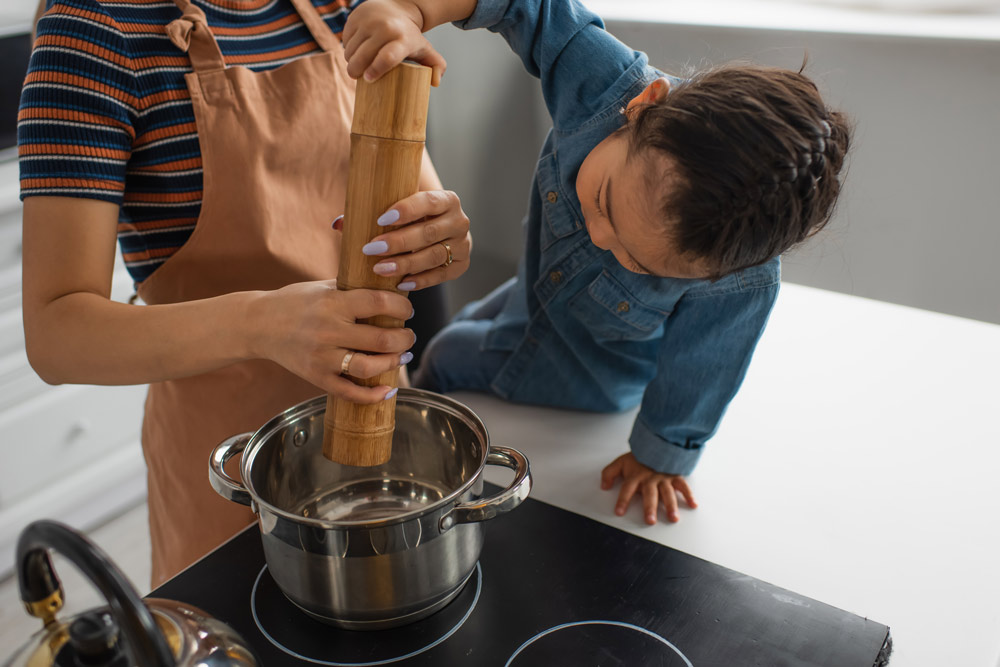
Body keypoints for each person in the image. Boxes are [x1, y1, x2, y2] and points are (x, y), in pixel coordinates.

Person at [342, 0, 852, 525]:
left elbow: (703, 371)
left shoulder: (739, 280)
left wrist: (660, 460)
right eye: (606, 201)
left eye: (641, 263)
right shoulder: (605, 86)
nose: (601, 237)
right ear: (642, 106)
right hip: (530, 299)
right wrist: (411, 10)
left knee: (445, 354)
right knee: (461, 333)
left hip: (585, 378)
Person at [19, 0, 469, 586]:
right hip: (224, 469)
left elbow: (414, 207)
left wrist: (439, 239)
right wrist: (263, 322)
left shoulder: (344, 11)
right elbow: (56, 333)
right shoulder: (91, 31)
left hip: (377, 438)